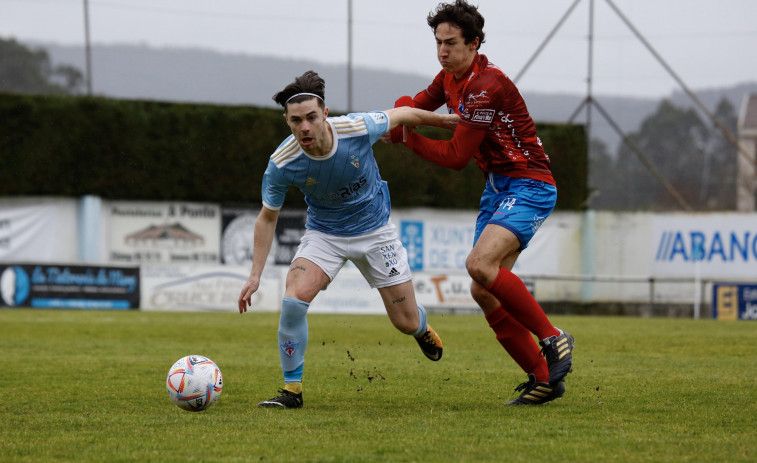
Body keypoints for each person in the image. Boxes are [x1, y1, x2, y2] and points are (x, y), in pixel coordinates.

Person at [386, 0, 574, 405]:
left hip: (530, 184)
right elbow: (413, 105)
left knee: (478, 265)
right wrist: (395, 118)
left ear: (473, 44)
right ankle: (543, 379)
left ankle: (555, 338)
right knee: (483, 290)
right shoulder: (449, 77)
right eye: (438, 42)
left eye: (450, 43)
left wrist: (408, 135)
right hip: (498, 187)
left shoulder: (487, 86)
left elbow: (455, 157)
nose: (442, 51)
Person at [237, 70, 458, 409]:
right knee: (294, 298)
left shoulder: (355, 128)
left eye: (311, 118)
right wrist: (254, 275)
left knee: (405, 321)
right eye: (296, 121)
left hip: (375, 231)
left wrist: (449, 123)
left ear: (325, 114)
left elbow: (402, 115)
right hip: (325, 234)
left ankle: (420, 326)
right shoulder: (282, 164)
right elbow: (267, 217)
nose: (304, 127)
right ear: (287, 121)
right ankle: (291, 391)